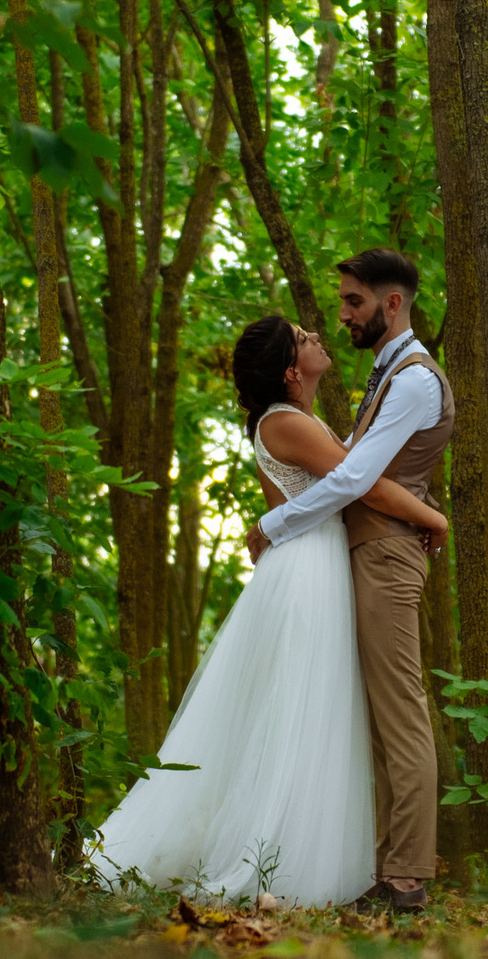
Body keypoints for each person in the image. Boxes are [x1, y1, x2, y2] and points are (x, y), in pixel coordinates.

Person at [88, 315, 448, 907]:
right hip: (307, 569)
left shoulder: (295, 419)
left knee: (312, 709)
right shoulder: (286, 422)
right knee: (300, 709)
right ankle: (273, 861)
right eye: (304, 339)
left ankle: (301, 853)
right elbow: (362, 484)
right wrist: (432, 515)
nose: (316, 338)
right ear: (289, 370)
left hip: (316, 561)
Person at [247, 249, 456, 915]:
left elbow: (351, 479)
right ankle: (389, 868)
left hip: (389, 555)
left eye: (353, 302)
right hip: (372, 551)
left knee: (400, 713)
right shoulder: (387, 373)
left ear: (392, 303)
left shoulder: (417, 379)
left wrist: (274, 526)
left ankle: (406, 877)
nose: (340, 314)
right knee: (380, 722)